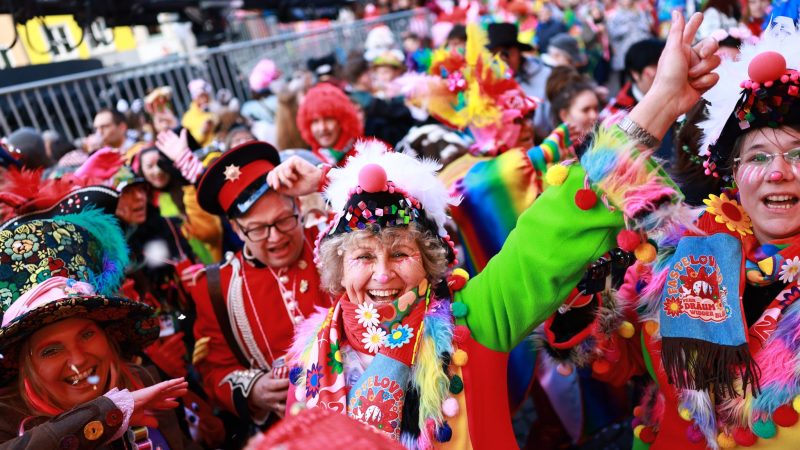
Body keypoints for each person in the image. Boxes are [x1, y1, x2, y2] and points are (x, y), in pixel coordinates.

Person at [536, 11, 800, 448]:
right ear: (732, 174)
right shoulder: (681, 250)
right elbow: (614, 357)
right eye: (757, 156)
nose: (776, 173)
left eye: (796, 154)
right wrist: (586, 301)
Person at [0, 206, 194, 448]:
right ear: (22, 363)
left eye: (87, 334)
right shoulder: (6, 423)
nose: (78, 360)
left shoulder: (140, 380)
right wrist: (110, 414)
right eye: (50, 350)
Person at [188, 141, 332, 436]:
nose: (276, 237)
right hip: (296, 433)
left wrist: (324, 179)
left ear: (298, 206)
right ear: (237, 230)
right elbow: (215, 371)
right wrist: (254, 390)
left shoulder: (332, 240)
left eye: (283, 220)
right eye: (257, 228)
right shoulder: (216, 287)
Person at [296, 83, 363, 166]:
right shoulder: (308, 163)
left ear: (343, 120)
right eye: (315, 121)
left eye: (328, 119)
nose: (322, 128)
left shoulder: (367, 150)